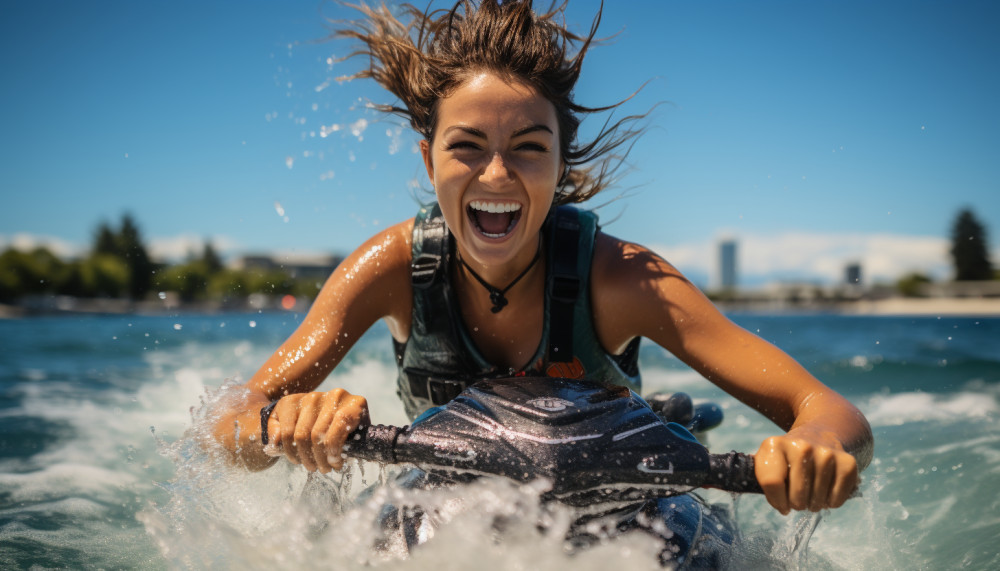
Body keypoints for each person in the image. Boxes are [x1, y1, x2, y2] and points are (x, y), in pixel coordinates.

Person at [214, 0, 872, 517]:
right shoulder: (390, 269)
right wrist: (284, 422)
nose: (497, 174)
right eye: (467, 145)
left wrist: (816, 447)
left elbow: (826, 407)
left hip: (617, 507)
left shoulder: (621, 278)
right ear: (427, 158)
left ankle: (669, 412)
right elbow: (232, 416)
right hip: (452, 509)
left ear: (560, 166)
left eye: (528, 146)